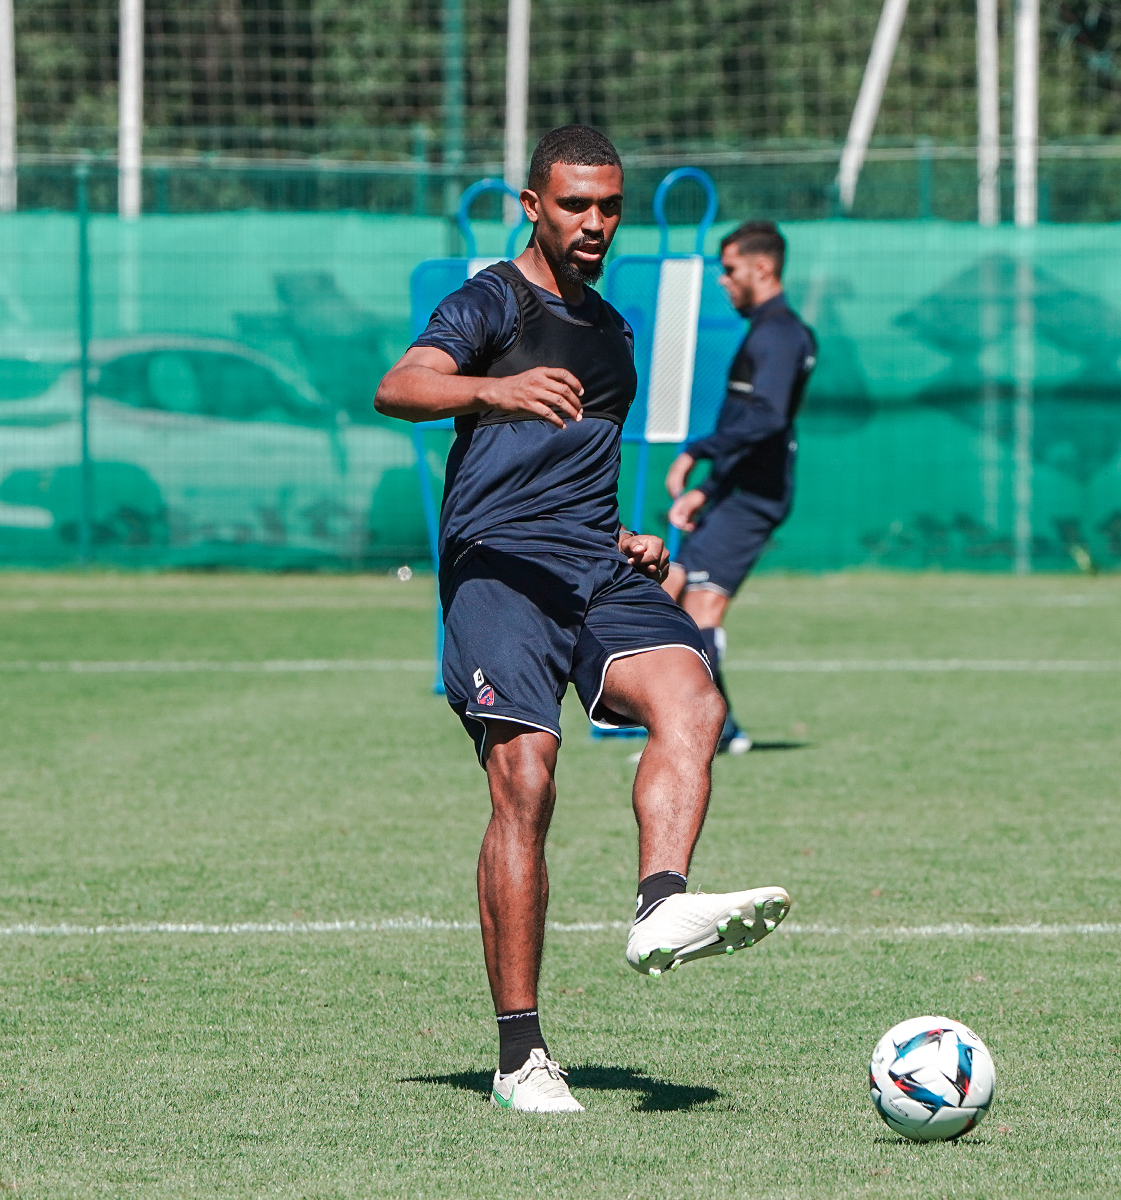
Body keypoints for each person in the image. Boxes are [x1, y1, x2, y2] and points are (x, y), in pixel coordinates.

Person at [374, 126, 791, 1114]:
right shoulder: (490, 301)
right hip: (499, 572)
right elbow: (399, 386)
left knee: (691, 697)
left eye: (609, 205)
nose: (596, 222)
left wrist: (623, 536)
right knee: (526, 778)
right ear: (533, 205)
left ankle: (660, 904)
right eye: (575, 204)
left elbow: (575, 470)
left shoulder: (611, 332)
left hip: (591, 565)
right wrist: (493, 388)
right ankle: (520, 1056)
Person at [661, 221, 817, 751]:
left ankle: (713, 731)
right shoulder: (766, 330)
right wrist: (706, 489)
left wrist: (696, 450)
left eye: (729, 270)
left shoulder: (780, 334)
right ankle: (709, 728)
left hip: (754, 497)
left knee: (698, 610)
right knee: (674, 598)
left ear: (762, 267)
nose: (723, 281)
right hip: (737, 489)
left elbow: (769, 418)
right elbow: (751, 428)